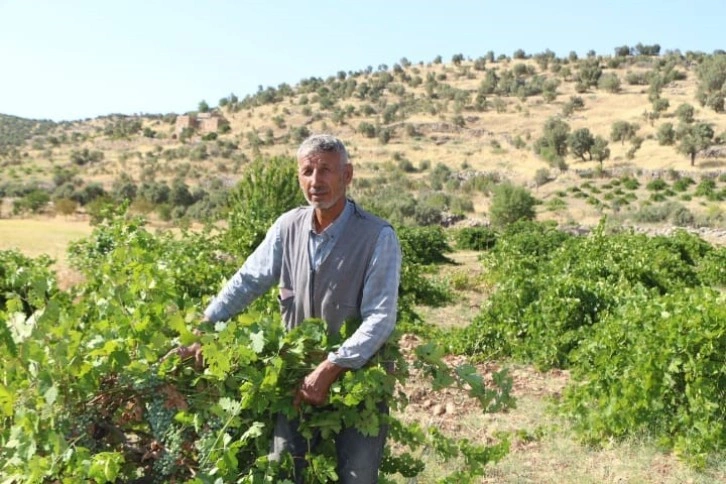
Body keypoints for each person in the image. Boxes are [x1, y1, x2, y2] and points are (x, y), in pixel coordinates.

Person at [188, 134, 401, 483]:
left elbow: (380, 316)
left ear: (347, 175)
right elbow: (248, 280)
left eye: (326, 170)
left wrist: (333, 366)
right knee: (284, 470)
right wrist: (206, 324)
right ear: (299, 177)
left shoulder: (378, 236)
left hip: (358, 379)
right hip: (295, 378)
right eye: (308, 171)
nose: (316, 181)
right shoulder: (287, 227)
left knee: (358, 476)